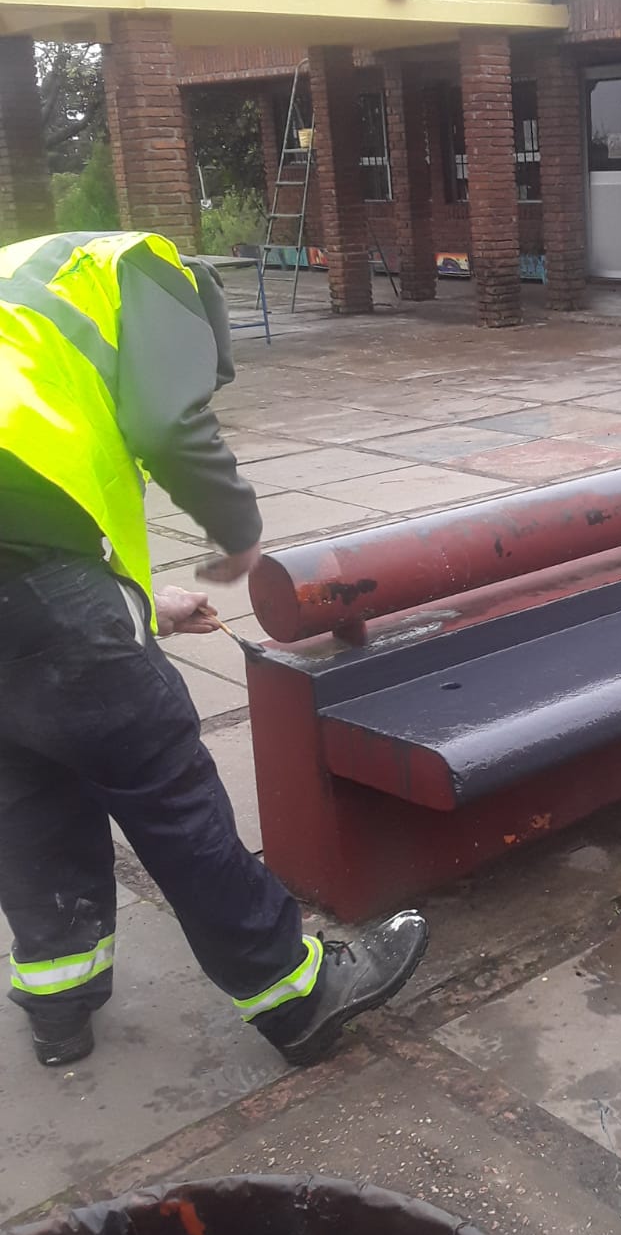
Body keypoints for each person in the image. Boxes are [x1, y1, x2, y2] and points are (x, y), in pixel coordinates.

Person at [0, 230, 427, 1069]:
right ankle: (297, 996)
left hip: (29, 575)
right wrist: (238, 532)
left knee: (26, 787)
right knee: (166, 785)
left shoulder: (28, 281)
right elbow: (165, 420)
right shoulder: (144, 269)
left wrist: (143, 604)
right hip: (40, 578)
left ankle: (58, 1000)